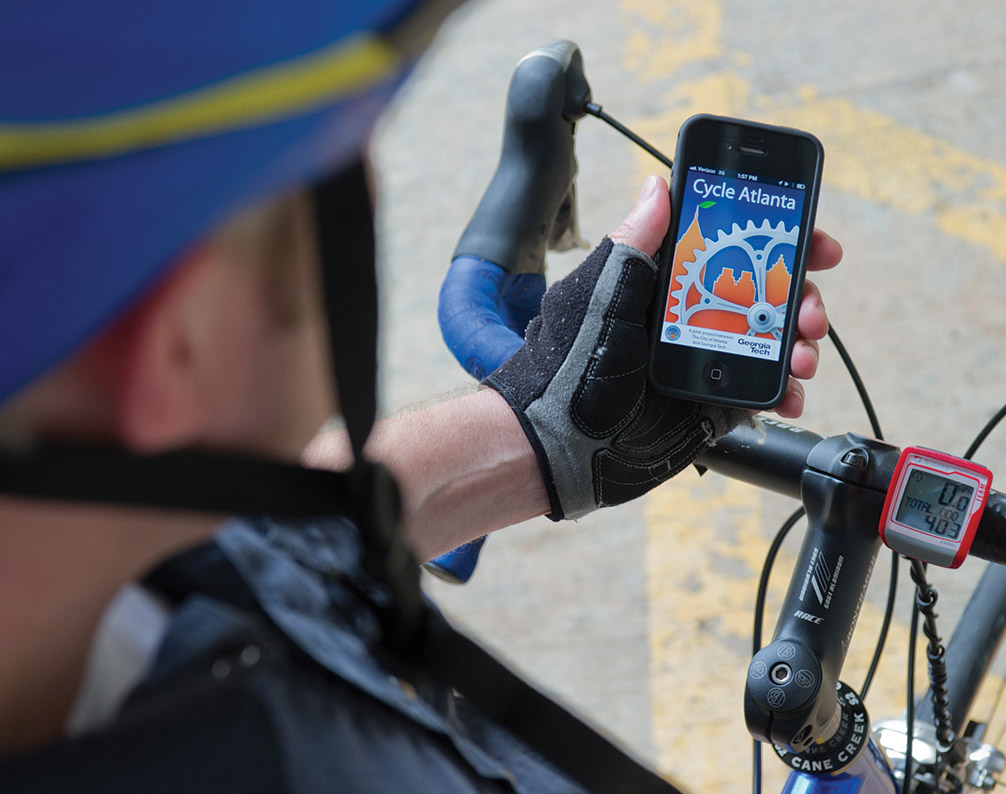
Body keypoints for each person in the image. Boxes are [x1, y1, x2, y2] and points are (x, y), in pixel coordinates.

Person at [0, 0, 842, 789]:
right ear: (180, 345)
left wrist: (542, 429)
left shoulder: (87, 599)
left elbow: (258, 543)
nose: (368, 184)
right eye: (334, 164)